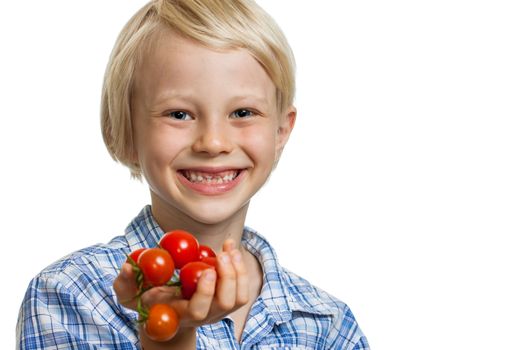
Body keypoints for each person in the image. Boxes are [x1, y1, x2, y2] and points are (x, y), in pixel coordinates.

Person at [16, 0, 369, 348]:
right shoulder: (69, 295)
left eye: (243, 112)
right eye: (179, 114)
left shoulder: (326, 325)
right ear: (124, 132)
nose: (213, 143)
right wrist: (169, 335)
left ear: (280, 132)